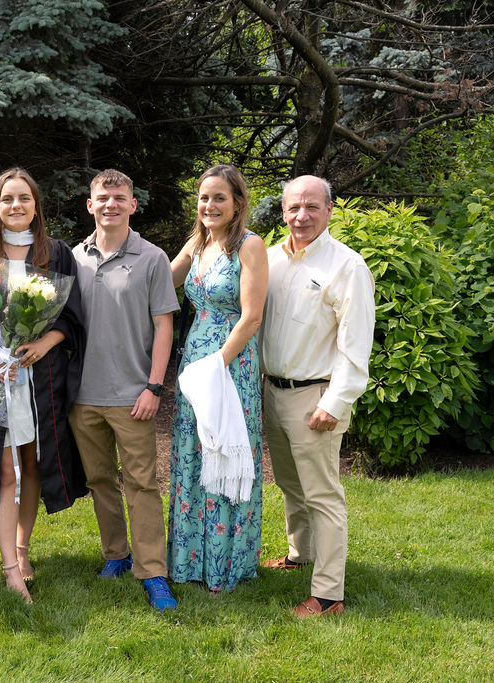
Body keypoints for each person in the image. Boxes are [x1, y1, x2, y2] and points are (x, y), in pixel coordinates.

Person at [0, 168, 87, 602]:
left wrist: (46, 341)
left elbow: (72, 315)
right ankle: (10, 569)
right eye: (7, 199)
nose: (16, 206)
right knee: (6, 470)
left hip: (41, 378)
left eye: (24, 198)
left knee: (33, 464)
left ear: (36, 205)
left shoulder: (57, 254)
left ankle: (23, 550)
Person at [259, 175, 375, 617]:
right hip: (273, 391)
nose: (301, 216)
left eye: (311, 207)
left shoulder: (347, 266)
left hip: (316, 396)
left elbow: (355, 343)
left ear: (329, 210)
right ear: (283, 211)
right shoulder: (270, 259)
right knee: (291, 484)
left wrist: (335, 401)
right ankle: (300, 554)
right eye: (293, 207)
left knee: (322, 494)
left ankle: (328, 595)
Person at [69, 169, 180, 610]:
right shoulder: (72, 257)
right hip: (82, 396)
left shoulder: (152, 258)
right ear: (90, 205)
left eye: (119, 197)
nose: (110, 204)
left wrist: (155, 386)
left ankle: (152, 571)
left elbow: (164, 325)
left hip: (134, 395)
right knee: (99, 481)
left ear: (133, 205)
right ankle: (116, 554)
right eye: (103, 197)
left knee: (141, 484)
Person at [166, 164, 268, 591]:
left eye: (219, 197)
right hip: (195, 364)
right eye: (204, 197)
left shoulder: (249, 246)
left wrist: (217, 365)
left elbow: (252, 317)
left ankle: (225, 564)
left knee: (224, 453)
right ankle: (189, 562)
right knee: (193, 453)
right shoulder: (198, 242)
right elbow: (157, 284)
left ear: (238, 202)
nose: (210, 205)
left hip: (230, 365)